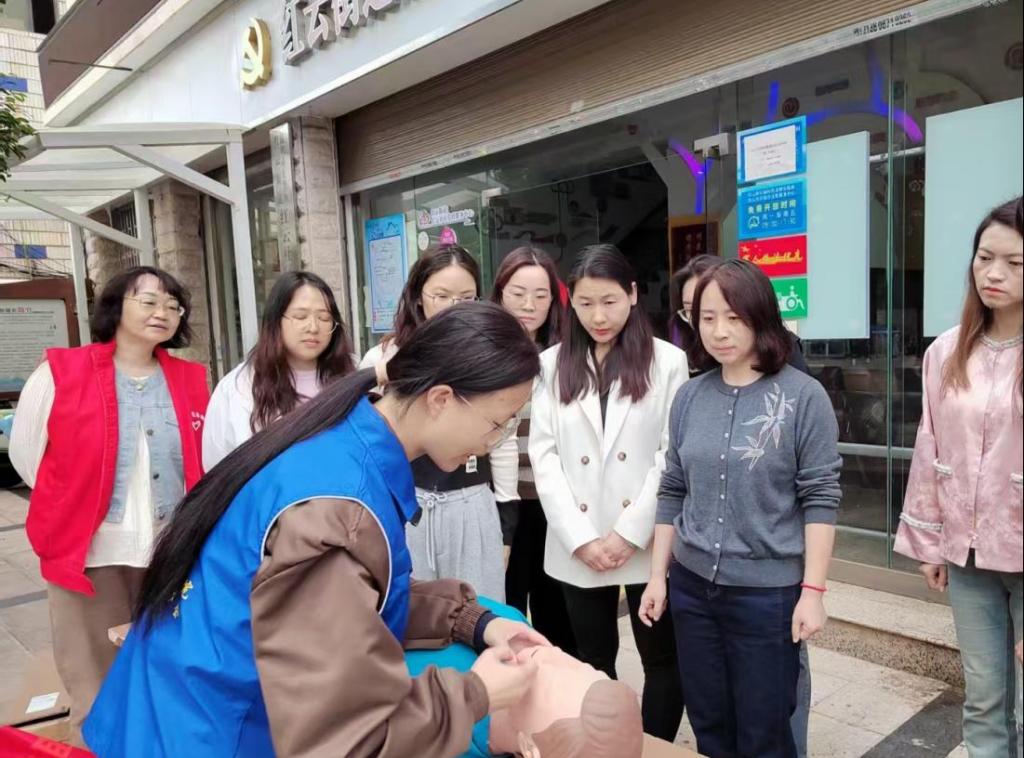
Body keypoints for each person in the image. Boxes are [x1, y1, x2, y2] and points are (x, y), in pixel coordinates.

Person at [83, 303, 551, 758]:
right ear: (441, 399)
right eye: (497, 423)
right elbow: (347, 739)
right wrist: (476, 693)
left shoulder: (344, 440)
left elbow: (352, 603)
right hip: (207, 734)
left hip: (177, 709)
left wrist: (470, 620)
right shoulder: (339, 511)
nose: (494, 441)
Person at [641, 259, 841, 758]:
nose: (719, 331)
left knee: (764, 731)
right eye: (707, 318)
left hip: (766, 597)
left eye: (734, 317)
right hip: (692, 590)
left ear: (761, 316)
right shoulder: (690, 397)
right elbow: (673, 488)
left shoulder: (803, 396)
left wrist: (812, 592)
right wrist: (658, 576)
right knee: (709, 723)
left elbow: (820, 497)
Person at [8, 266, 209, 745]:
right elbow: (27, 455)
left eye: (173, 306)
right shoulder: (60, 374)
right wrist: (75, 505)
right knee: (95, 683)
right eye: (149, 301)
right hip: (90, 556)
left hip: (168, 554)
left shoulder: (190, 379)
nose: (163, 312)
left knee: (166, 674)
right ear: (116, 307)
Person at [529, 243, 688, 741]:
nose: (598, 316)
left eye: (610, 301)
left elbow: (671, 455)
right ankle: (607, 744)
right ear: (570, 302)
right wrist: (580, 538)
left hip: (645, 538)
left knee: (661, 658)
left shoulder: (668, 361)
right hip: (578, 541)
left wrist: (628, 533)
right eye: (585, 303)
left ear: (633, 295)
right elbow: (544, 456)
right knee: (592, 657)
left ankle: (655, 746)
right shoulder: (550, 364)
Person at [895, 197, 1023, 758]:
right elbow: (931, 445)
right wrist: (929, 542)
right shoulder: (947, 350)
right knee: (984, 700)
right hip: (968, 558)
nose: (994, 273)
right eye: (985, 257)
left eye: (1015, 263)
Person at [360, 245, 517, 600]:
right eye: (441, 296)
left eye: (466, 297)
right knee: (411, 608)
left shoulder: (488, 355)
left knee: (477, 608)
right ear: (418, 297)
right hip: (407, 503)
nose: (453, 307)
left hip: (470, 502)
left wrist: (507, 523)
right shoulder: (385, 358)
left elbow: (502, 439)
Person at [405, 598, 643, 758]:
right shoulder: (511, 625)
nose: (551, 652)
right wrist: (480, 623)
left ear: (529, 748)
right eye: (578, 665)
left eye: (548, 680)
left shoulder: (422, 733)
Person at [491, 245, 577, 656]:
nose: (529, 305)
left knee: (557, 614)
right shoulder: (482, 351)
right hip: (501, 504)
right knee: (506, 608)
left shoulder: (565, 356)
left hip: (553, 503)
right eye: (518, 293)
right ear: (499, 293)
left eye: (540, 295)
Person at [203, 271, 355, 469]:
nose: (313, 327)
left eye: (324, 318)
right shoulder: (238, 388)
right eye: (300, 316)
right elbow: (218, 466)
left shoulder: (353, 374)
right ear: (275, 321)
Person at [670, 254, 809, 375]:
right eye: (690, 309)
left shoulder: (785, 353)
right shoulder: (690, 363)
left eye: (732, 317)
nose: (719, 332)